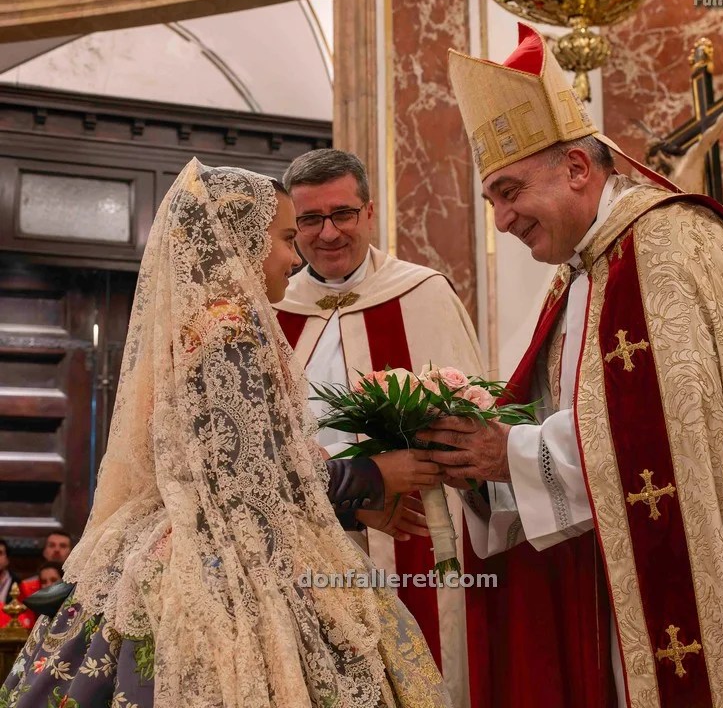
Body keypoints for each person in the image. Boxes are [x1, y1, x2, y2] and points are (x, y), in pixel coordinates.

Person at [418, 25, 723, 707]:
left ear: (576, 168)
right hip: (611, 597)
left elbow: (672, 438)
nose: (501, 219)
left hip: (694, 580)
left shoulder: (668, 248)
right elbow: (578, 420)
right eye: (491, 200)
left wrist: (514, 454)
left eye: (509, 191)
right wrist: (483, 461)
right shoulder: (585, 272)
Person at [1, 159, 451, 708]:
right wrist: (372, 474)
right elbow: (250, 480)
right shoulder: (232, 334)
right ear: (241, 241)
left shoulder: (197, 328)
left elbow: (235, 465)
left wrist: (351, 504)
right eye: (285, 238)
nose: (295, 256)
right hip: (227, 565)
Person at [276, 149, 483, 707]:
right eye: (310, 220)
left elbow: (469, 424)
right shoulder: (273, 307)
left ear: (369, 212)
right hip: (304, 544)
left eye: (342, 213)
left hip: (415, 530)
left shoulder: (424, 292)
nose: (328, 233)